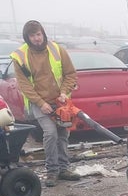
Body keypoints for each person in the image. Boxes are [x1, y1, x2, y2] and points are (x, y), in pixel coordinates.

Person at [10, 20, 80, 186]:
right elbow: (24, 85)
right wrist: (41, 103)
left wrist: (63, 92)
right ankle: (52, 171)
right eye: (33, 35)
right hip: (39, 103)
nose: (37, 38)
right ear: (27, 38)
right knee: (50, 133)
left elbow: (70, 74)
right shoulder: (20, 57)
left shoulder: (56, 50)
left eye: (39, 34)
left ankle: (64, 169)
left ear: (43, 34)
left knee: (63, 133)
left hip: (60, 101)